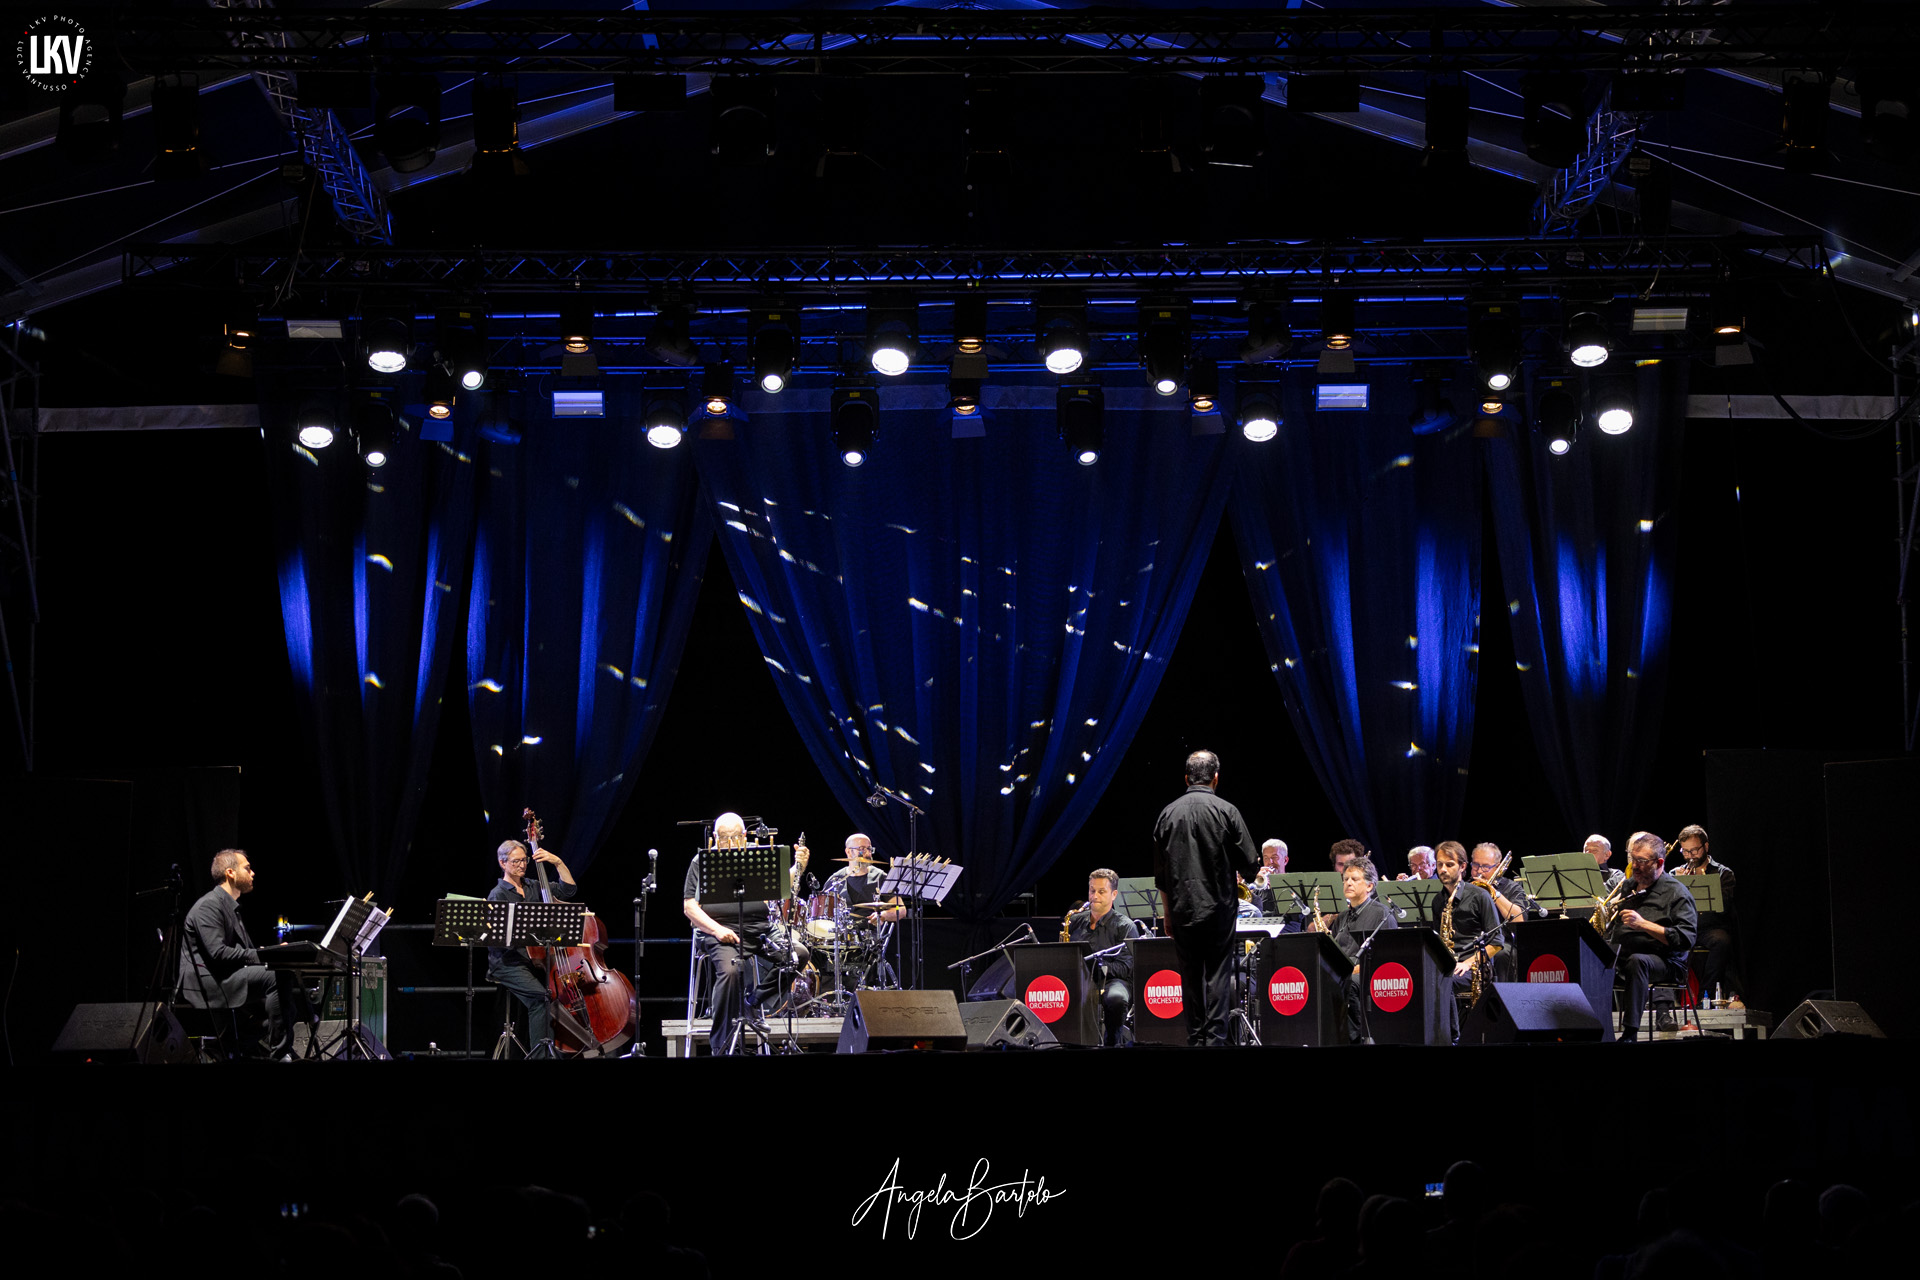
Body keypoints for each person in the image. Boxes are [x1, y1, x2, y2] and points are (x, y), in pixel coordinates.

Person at [1152, 749, 1260, 1046]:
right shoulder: (1228, 811)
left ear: (1186, 778)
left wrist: (1167, 914)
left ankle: (1196, 1039)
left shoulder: (1167, 814)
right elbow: (1251, 866)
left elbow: (1161, 876)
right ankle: (1215, 1040)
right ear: (1216, 778)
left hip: (1182, 909)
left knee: (1189, 977)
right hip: (1219, 910)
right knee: (1218, 976)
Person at [176, 848, 309, 1059]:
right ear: (230, 873)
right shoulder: (209, 906)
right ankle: (281, 1055)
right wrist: (262, 956)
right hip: (208, 980)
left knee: (287, 1007)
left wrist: (268, 954)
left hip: (226, 974)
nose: (253, 873)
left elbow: (242, 952)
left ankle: (226, 1046)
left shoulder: (229, 906)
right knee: (277, 977)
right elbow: (218, 954)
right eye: (247, 868)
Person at [683, 812, 790, 1055]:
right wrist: (717, 930)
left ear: (744, 836)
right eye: (723, 838)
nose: (729, 843)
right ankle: (720, 1045)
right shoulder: (701, 861)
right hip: (717, 930)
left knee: (796, 955)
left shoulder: (758, 855)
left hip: (757, 927)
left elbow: (781, 887)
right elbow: (689, 906)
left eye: (734, 837)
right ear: (714, 837)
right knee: (731, 970)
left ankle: (751, 1002)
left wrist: (798, 868)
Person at [488, 838, 581, 1057]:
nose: (521, 865)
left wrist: (557, 862)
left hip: (535, 961)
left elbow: (569, 891)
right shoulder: (498, 895)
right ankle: (541, 1055)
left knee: (562, 995)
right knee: (541, 998)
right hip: (508, 963)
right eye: (516, 861)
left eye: (524, 860)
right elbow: (499, 940)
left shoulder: (534, 886)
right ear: (503, 863)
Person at [1609, 831, 1699, 1041]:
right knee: (1592, 957)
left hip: (1666, 962)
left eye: (1641, 861)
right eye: (1633, 859)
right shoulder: (1629, 886)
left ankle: (1630, 1033)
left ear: (1659, 862)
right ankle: (1592, 1027)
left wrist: (1644, 925)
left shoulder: (1677, 893)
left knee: (1638, 961)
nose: (1635, 866)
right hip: (1626, 955)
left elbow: (1685, 939)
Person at [1321, 857, 1397, 1041]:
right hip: (1345, 973)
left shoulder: (1382, 914)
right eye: (1346, 879)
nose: (1348, 883)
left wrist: (1356, 968)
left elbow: (1387, 957)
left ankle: (1353, 1039)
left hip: (1369, 974)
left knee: (1350, 982)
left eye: (1355, 879)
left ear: (1370, 886)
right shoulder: (1342, 917)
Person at [1432, 841, 1502, 1037]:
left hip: (1477, 966)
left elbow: (1496, 942)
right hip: (1450, 964)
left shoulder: (1480, 896)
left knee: (1444, 982)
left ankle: (1452, 1036)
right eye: (1439, 865)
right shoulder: (1437, 901)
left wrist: (1468, 962)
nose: (1443, 869)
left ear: (1463, 867)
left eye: (1449, 864)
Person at [1067, 867, 1143, 1046]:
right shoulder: (1075, 921)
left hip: (1114, 980)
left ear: (1114, 894)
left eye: (1101, 891)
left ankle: (1112, 1042)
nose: (1095, 896)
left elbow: (1126, 967)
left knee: (1116, 998)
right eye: (1092, 890)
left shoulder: (1125, 925)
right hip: (1078, 979)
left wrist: (1098, 967)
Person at [1670, 824, 1741, 1006]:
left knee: (1721, 940)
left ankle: (1704, 996)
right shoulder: (1675, 874)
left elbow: (1723, 907)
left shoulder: (1723, 873)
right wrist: (1676, 885)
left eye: (1694, 850)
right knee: (1662, 938)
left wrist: (1702, 882)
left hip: (1710, 928)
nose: (1690, 856)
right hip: (1685, 928)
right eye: (1685, 852)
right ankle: (1669, 1000)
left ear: (1706, 847)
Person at [1469, 841, 1542, 981]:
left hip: (1501, 943)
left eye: (1485, 867)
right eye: (1476, 865)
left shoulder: (1512, 888)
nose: (1479, 871)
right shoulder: (1466, 886)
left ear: (1497, 867)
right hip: (1471, 941)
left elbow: (1518, 919)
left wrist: (1493, 892)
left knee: (1501, 956)